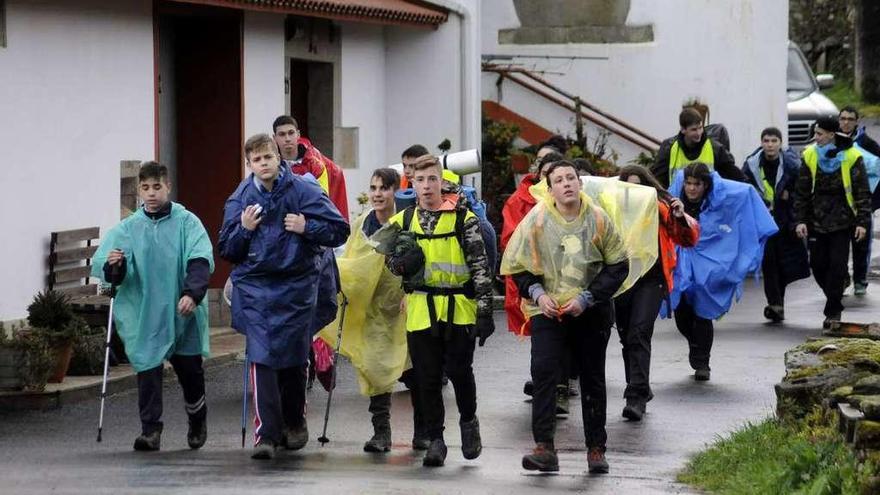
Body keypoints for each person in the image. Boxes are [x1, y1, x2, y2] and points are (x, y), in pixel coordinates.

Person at [219, 133, 349, 460]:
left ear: (278, 158)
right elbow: (228, 249)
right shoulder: (241, 199)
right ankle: (266, 434)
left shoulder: (303, 189)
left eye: (268, 157)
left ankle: (295, 421)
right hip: (257, 288)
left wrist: (308, 227)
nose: (264, 164)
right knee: (261, 358)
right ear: (249, 164)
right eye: (257, 160)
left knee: (292, 358)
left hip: (297, 285)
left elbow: (338, 229)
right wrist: (244, 229)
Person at [501, 160, 629, 474]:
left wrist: (587, 298)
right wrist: (537, 294)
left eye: (571, 178)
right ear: (550, 189)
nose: (567, 184)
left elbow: (618, 265)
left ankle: (596, 449)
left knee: (592, 378)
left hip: (590, 311)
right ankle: (544, 446)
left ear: (580, 184)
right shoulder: (537, 221)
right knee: (544, 372)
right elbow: (517, 267)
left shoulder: (598, 219)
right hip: (548, 310)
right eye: (559, 180)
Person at [373, 154, 494, 467]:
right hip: (421, 308)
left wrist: (484, 310)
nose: (426, 186)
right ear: (411, 184)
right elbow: (384, 254)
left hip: (459, 307)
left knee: (458, 372)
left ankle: (469, 422)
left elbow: (480, 265)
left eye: (432, 180)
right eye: (420, 180)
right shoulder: (403, 220)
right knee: (426, 378)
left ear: (442, 182)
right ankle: (436, 439)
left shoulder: (462, 218)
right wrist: (398, 263)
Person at [93, 161, 214, 451]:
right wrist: (115, 266)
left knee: (190, 372)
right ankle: (150, 430)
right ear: (139, 190)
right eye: (145, 188)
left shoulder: (187, 222)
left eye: (157, 187)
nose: (151, 194)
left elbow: (199, 259)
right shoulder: (127, 229)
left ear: (168, 187)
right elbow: (111, 274)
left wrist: (192, 294)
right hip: (146, 313)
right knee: (147, 368)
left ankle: (197, 418)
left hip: (182, 309)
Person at [317, 168, 426, 452]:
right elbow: (352, 259)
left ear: (394, 191)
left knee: (413, 369)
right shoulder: (362, 223)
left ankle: (424, 431)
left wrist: (411, 291)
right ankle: (381, 433)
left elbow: (419, 260)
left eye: (383, 188)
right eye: (374, 188)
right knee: (375, 368)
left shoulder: (407, 222)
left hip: (403, 306)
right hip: (373, 306)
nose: (377, 194)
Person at [669, 163, 778, 380]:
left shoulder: (718, 200)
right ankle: (695, 344)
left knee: (702, 310)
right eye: (688, 183)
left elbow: (742, 197)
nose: (691, 189)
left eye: (697, 184)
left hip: (709, 264)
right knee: (681, 312)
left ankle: (703, 362)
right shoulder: (675, 199)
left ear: (706, 185)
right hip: (681, 262)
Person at [615, 165, 700, 420]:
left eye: (639, 186)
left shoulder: (662, 209)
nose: (635, 192)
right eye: (629, 186)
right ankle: (639, 385)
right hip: (621, 281)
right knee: (626, 336)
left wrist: (679, 216)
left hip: (651, 281)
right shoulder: (612, 211)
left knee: (639, 332)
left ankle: (636, 396)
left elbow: (688, 238)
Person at [795, 117, 872, 327]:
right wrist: (800, 220)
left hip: (842, 221)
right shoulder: (810, 155)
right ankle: (835, 292)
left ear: (831, 134)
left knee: (837, 266)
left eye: (819, 134)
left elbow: (862, 192)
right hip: (816, 221)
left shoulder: (852, 156)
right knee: (818, 265)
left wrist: (862, 222)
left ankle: (833, 311)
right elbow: (801, 191)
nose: (816, 138)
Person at [741, 127, 810, 322]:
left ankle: (779, 301)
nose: (770, 145)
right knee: (769, 263)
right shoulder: (751, 165)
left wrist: (796, 215)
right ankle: (775, 303)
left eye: (774, 141)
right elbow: (745, 191)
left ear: (780, 143)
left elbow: (802, 193)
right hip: (764, 224)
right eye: (766, 141)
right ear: (761, 143)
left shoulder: (792, 165)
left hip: (787, 222)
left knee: (786, 264)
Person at [273, 115, 349, 219]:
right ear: (274, 138)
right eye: (282, 134)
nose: (287, 139)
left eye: (291, 133)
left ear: (298, 134)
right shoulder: (271, 166)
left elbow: (321, 203)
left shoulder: (317, 165)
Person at [839, 106, 880, 296]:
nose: (846, 122)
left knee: (861, 245)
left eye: (850, 119)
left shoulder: (869, 145)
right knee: (837, 244)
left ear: (857, 121)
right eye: (843, 119)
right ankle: (842, 277)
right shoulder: (832, 142)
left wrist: (874, 202)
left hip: (862, 204)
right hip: (837, 205)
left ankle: (860, 280)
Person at [651, 108, 746, 188]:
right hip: (677, 204)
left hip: (708, 205)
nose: (699, 133)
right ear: (683, 130)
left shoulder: (715, 148)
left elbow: (734, 174)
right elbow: (657, 179)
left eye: (700, 128)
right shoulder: (669, 148)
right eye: (694, 129)